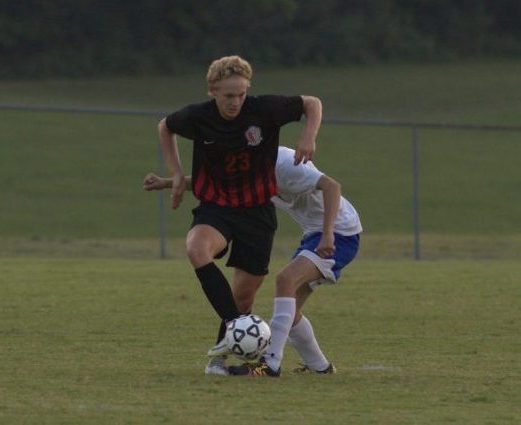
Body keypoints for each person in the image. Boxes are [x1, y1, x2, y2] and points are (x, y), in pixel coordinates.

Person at [156, 55, 323, 371]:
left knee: (242, 299)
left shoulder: (263, 110)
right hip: (216, 208)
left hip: (257, 213)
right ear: (213, 91)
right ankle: (236, 337)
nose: (235, 102)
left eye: (241, 94)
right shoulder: (198, 117)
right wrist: (176, 174)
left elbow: (312, 103)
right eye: (228, 95)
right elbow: (165, 127)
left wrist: (308, 136)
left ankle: (225, 347)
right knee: (196, 247)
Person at [143, 146, 362, 376]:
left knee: (284, 280)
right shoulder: (249, 165)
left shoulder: (286, 164)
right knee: (291, 311)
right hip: (314, 233)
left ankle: (270, 364)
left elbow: (332, 186)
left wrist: (328, 235)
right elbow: (212, 182)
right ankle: (321, 366)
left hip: (340, 233)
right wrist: (167, 183)